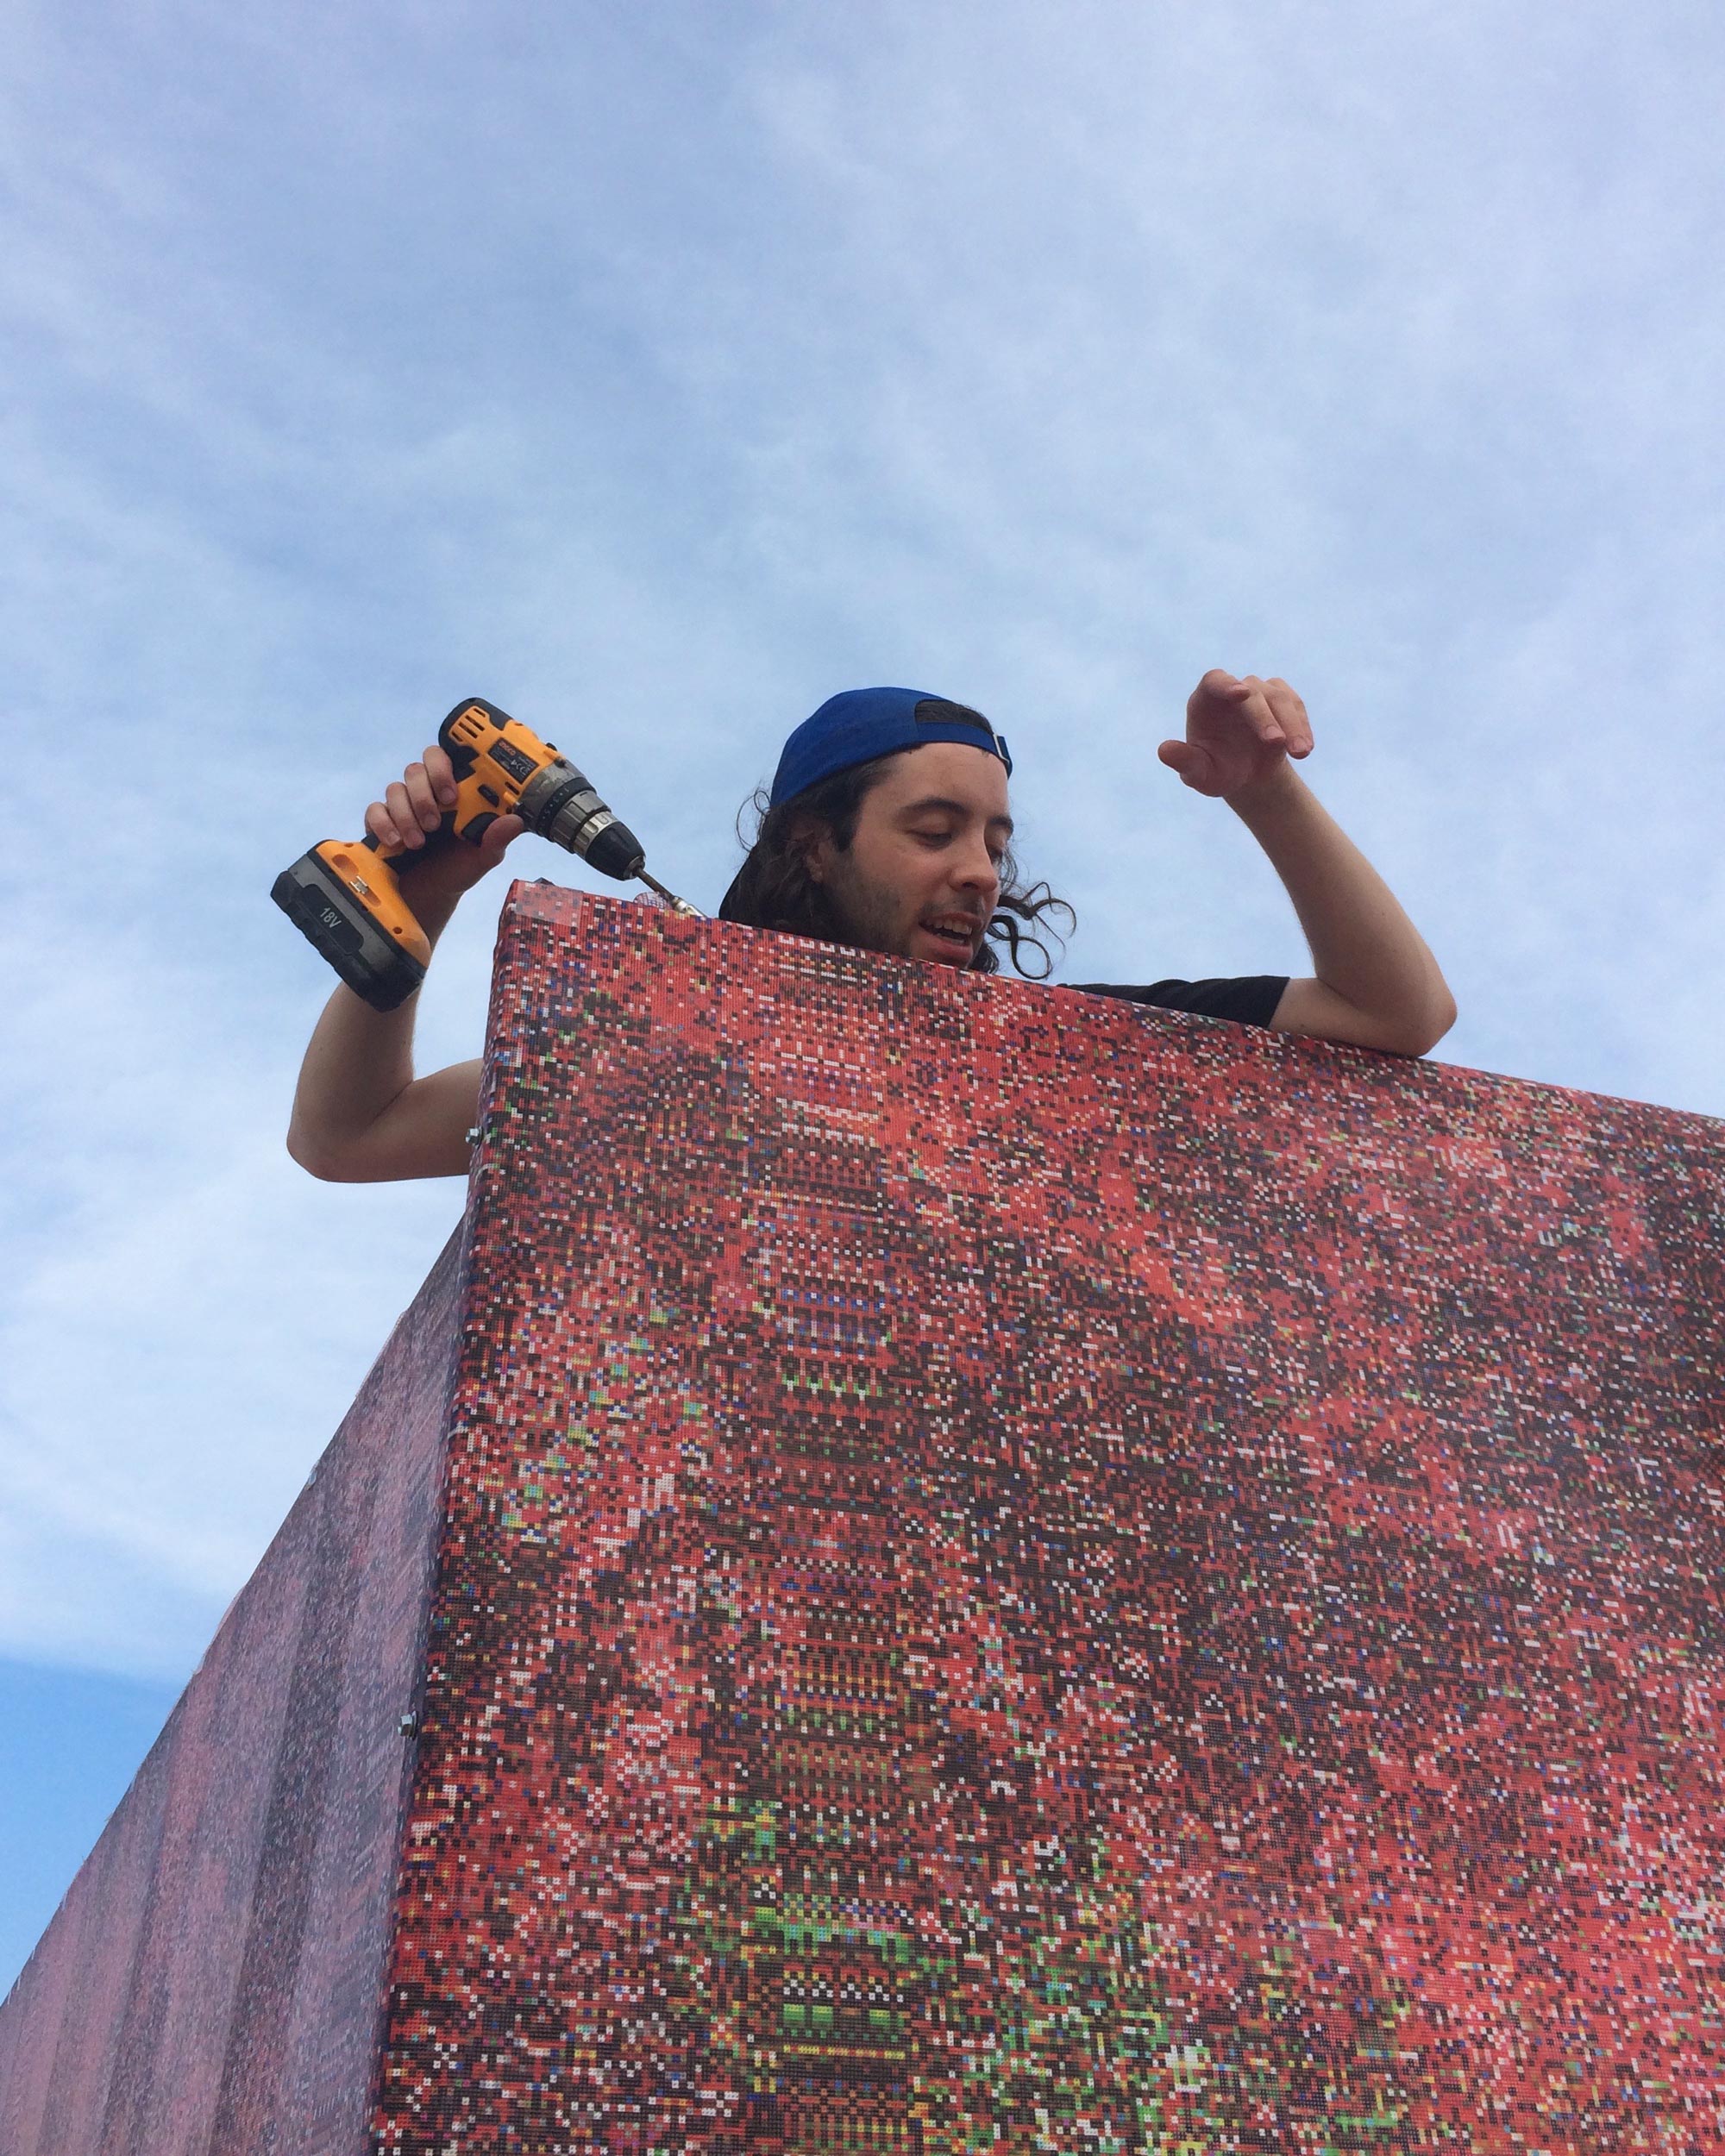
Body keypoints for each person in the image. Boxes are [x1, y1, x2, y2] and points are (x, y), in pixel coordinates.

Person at [286, 672, 1455, 1182]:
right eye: (935, 830)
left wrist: (1265, 790)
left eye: (995, 841)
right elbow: (346, 1139)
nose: (979, 872)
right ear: (814, 843)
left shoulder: (1078, 1054)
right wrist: (422, 901)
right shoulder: (675, 1055)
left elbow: (1399, 1011)